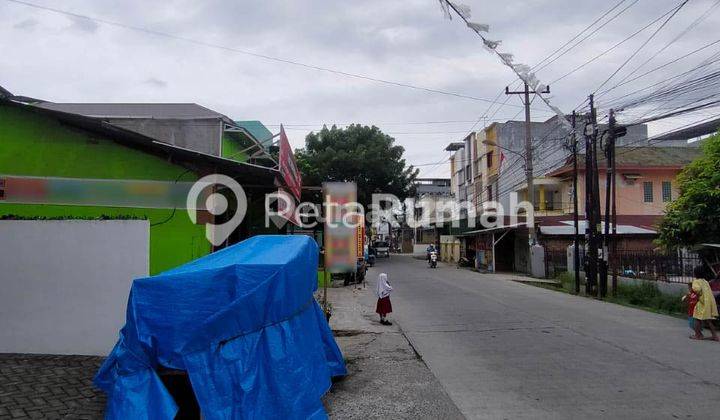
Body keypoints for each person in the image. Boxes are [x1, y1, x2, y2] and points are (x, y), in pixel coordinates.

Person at [689, 266, 719, 341]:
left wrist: (693, 291)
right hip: (708, 302)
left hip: (701, 303)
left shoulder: (696, 281)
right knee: (708, 320)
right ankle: (715, 336)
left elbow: (697, 290)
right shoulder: (705, 281)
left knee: (697, 318)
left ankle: (698, 335)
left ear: (695, 274)